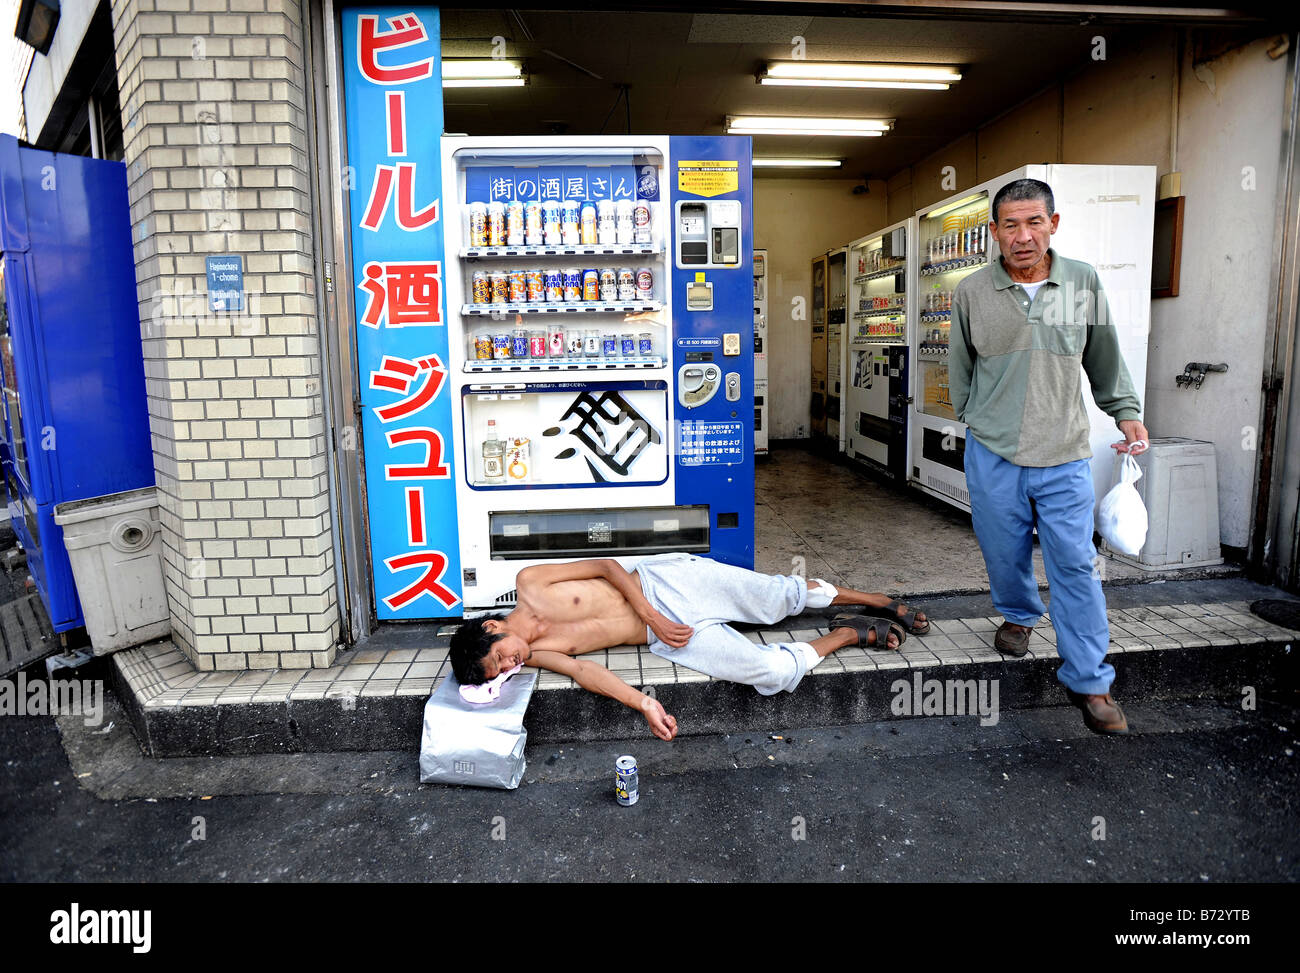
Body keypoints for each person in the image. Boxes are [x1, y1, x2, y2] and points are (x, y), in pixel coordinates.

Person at [948, 177, 1149, 735]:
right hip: (993, 451)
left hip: (1063, 453)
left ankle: (1091, 681)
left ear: (1053, 224)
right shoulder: (971, 292)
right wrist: (971, 412)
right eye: (1010, 225)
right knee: (1002, 548)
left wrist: (1124, 408)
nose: (1022, 236)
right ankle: (1017, 616)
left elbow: (1104, 355)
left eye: (1034, 222)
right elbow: (960, 365)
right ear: (994, 232)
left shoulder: (1082, 281)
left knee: (1075, 564)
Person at [448, 554, 930, 741]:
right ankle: (846, 633)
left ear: (492, 625)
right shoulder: (542, 652)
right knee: (767, 671)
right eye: (502, 674)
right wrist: (643, 702)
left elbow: (607, 567)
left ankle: (879, 601)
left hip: (666, 584)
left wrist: (650, 611)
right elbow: (583, 674)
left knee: (775, 597)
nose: (511, 665)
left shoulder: (529, 582)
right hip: (670, 636)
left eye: (500, 657)